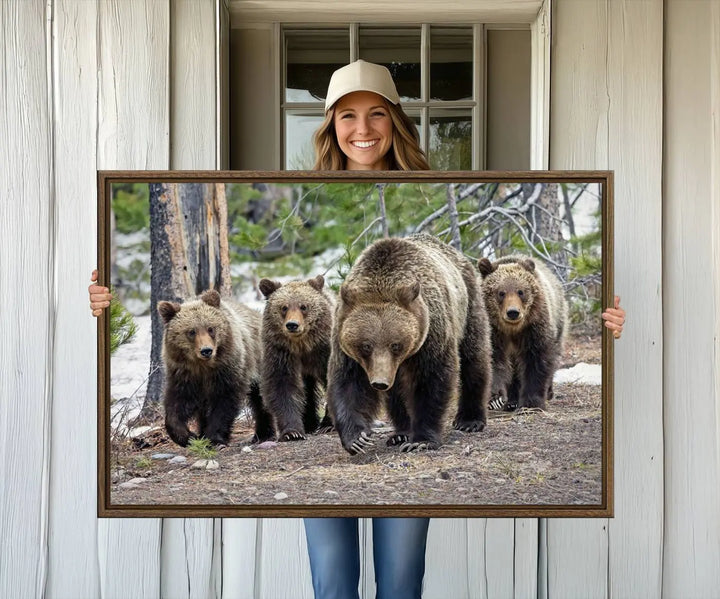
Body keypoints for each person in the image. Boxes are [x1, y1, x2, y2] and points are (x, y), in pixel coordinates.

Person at [88, 59, 626, 599]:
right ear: (329, 126)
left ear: (397, 121)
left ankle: (442, 424)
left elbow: (448, 368)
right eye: (346, 116)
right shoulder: (326, 261)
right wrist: (100, 303)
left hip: (430, 296)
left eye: (376, 115)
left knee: (400, 575)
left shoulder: (433, 269)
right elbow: (344, 378)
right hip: (369, 326)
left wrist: (608, 323)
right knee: (332, 577)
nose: (362, 129)